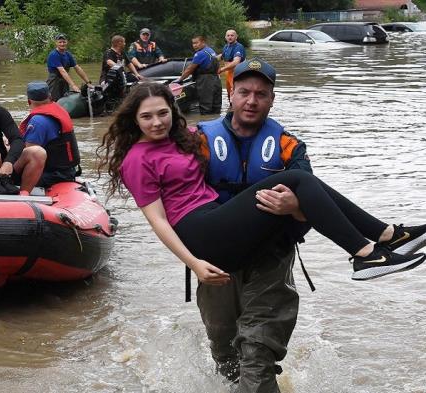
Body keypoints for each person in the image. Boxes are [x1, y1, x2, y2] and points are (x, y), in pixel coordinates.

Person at [96, 81, 426, 388]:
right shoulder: (136, 159)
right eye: (147, 116)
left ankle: (383, 239)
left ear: (173, 110)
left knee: (299, 180)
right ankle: (373, 247)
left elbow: (225, 126)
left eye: (163, 113)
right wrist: (194, 263)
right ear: (133, 120)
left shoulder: (185, 137)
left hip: (222, 223)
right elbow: (158, 222)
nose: (157, 122)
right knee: (298, 179)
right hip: (200, 232)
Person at [194, 57, 311, 390]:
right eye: (244, 91)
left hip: (270, 259)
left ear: (272, 99)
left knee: (257, 352)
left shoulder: (290, 147)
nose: (252, 100)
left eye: (261, 94)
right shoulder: (199, 142)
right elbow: (175, 203)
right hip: (216, 262)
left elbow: (315, 207)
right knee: (224, 348)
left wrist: (296, 204)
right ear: (231, 94)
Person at [18, 81, 81, 188]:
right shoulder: (60, 111)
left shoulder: (37, 121)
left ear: (29, 101)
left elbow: (29, 155)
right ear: (50, 96)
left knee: (4, 175)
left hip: (52, 175)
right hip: (68, 171)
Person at [174, 35, 222, 115]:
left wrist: (180, 80)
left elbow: (189, 69)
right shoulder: (211, 50)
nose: (194, 45)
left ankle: (205, 122)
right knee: (216, 105)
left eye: (196, 43)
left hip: (205, 82)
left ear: (203, 42)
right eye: (193, 43)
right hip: (216, 79)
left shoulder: (199, 54)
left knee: (205, 106)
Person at [46, 33, 93, 101]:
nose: (62, 44)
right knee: (53, 101)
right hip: (54, 82)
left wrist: (88, 83)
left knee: (64, 99)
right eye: (60, 42)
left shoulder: (68, 54)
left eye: (64, 42)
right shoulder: (54, 55)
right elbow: (63, 71)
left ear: (67, 42)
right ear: (56, 43)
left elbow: (77, 68)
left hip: (64, 81)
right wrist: (73, 85)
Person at [217, 29, 246, 101]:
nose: (230, 37)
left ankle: (236, 109)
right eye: (228, 35)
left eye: (232, 35)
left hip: (237, 73)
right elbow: (221, 57)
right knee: (229, 94)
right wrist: (210, 58)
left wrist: (222, 69)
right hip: (228, 73)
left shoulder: (238, 47)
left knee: (236, 93)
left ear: (236, 37)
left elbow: (236, 62)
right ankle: (231, 108)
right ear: (225, 37)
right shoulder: (226, 46)